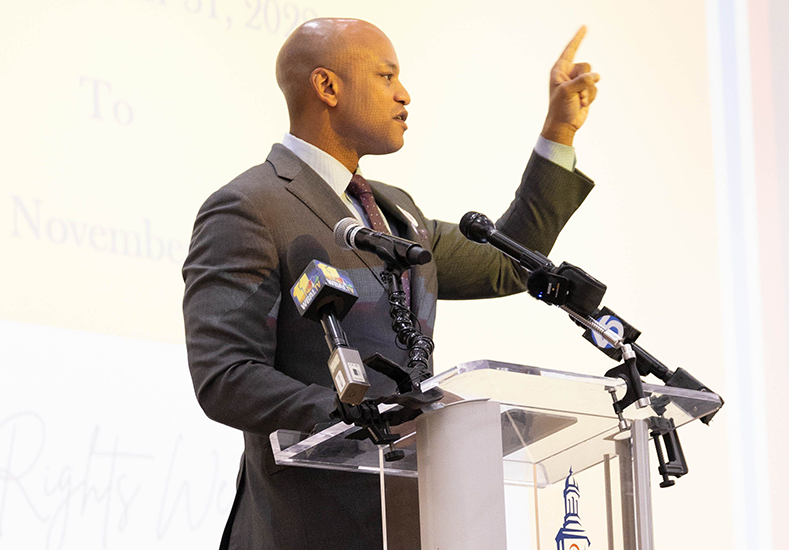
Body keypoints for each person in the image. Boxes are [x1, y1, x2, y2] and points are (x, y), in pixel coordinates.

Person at [182, 17, 600, 550]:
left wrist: (559, 133)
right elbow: (226, 376)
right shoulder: (250, 208)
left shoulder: (396, 211)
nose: (404, 94)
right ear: (328, 86)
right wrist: (351, 417)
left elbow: (511, 262)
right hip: (308, 525)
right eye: (386, 76)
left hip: (418, 520)